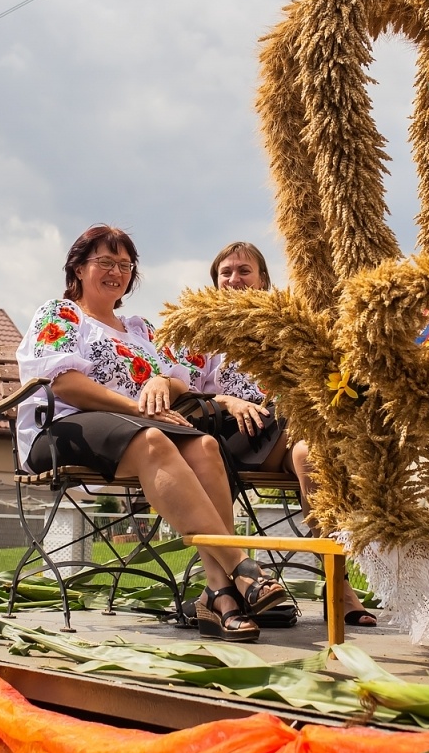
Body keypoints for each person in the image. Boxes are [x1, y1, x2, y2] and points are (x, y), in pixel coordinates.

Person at [16, 224, 288, 642]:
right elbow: (64, 384)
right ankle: (244, 568)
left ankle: (219, 595)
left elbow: (182, 381)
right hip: (64, 428)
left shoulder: (140, 329)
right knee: (153, 440)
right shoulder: (62, 314)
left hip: (135, 428)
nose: (116, 271)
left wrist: (164, 384)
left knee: (206, 447)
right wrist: (135, 408)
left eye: (124, 265)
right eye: (104, 261)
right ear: (78, 268)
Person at [177, 241, 376, 627]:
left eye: (244, 271)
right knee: (314, 437)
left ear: (263, 280)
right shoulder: (200, 332)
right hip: (224, 435)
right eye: (226, 273)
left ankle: (339, 585)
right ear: (215, 283)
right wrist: (228, 401)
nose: (235, 279)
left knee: (312, 456)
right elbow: (181, 391)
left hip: (280, 430)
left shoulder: (283, 327)